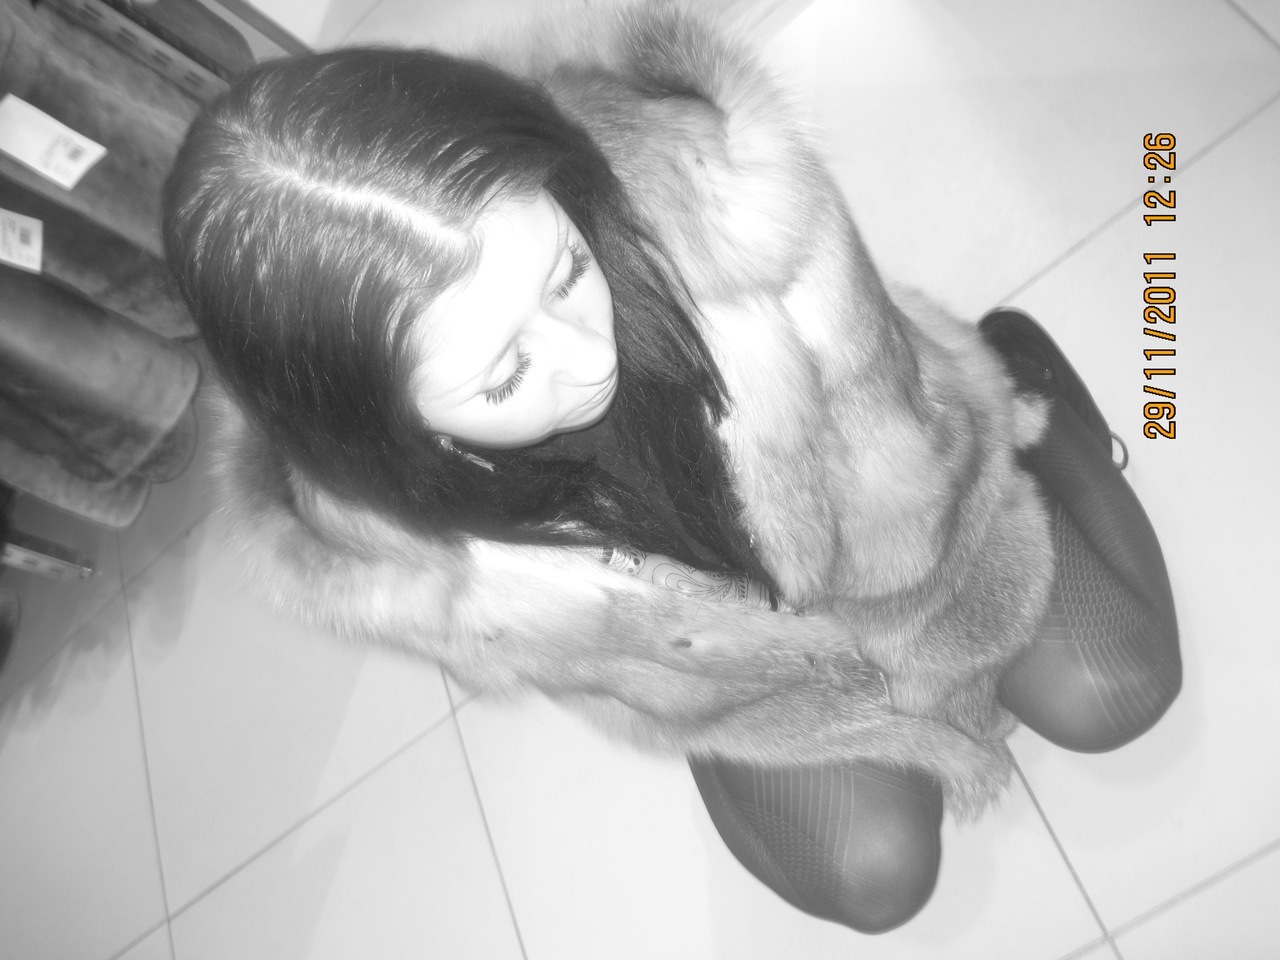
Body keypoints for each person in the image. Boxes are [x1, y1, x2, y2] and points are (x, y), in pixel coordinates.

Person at [162, 2, 1179, 933]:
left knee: (1114, 692)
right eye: (505, 369)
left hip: (921, 527)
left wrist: (935, 646)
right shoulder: (399, 562)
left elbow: (896, 450)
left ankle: (1021, 372)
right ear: (382, 438)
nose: (584, 356)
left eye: (566, 268)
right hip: (751, 682)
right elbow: (614, 667)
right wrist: (698, 660)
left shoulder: (715, 181)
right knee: (876, 875)